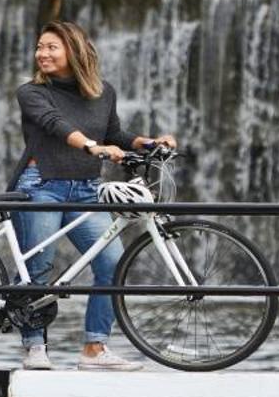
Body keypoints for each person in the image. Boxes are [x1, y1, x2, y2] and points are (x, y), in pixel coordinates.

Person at [10, 21, 177, 372]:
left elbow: (116, 133)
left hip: (85, 189)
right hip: (42, 185)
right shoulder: (32, 93)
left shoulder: (103, 93)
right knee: (38, 268)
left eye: (52, 47)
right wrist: (93, 147)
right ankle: (34, 347)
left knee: (112, 265)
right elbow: (56, 124)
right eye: (40, 47)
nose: (42, 53)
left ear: (75, 50)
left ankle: (95, 348)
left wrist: (150, 143)